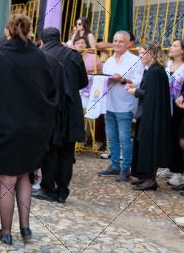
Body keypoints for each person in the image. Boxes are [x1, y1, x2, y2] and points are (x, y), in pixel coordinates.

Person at [0, 14, 57, 245]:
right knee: (25, 177)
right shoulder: (38, 57)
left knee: (8, 180)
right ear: (30, 31)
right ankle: (25, 228)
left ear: (7, 31)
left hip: (6, 129)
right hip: (33, 130)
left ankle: (6, 231)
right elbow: (50, 91)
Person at [34, 27, 89, 204]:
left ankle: (48, 188)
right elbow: (83, 82)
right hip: (71, 108)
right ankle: (62, 190)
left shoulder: (40, 56)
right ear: (59, 38)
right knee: (67, 150)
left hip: (51, 108)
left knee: (50, 149)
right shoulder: (74, 55)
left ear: (42, 41)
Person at [98, 31, 144, 182]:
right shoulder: (109, 61)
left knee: (124, 138)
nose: (117, 44)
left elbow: (139, 82)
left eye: (121, 41)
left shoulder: (136, 60)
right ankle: (114, 165)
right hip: (109, 103)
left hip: (125, 104)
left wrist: (123, 79)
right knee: (111, 137)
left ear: (129, 43)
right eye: (115, 40)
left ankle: (126, 169)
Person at [127, 43, 171, 191]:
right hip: (148, 113)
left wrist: (135, 92)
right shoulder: (153, 70)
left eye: (143, 53)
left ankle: (150, 180)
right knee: (144, 144)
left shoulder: (155, 71)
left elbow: (151, 95)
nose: (140, 56)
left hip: (152, 116)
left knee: (150, 145)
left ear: (151, 54)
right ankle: (145, 176)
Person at [166, 40, 184, 188]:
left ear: (182, 50)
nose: (171, 47)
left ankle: (178, 172)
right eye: (171, 45)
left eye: (175, 46)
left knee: (179, 138)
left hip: (180, 107)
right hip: (167, 105)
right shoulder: (167, 64)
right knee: (169, 136)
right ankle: (170, 166)